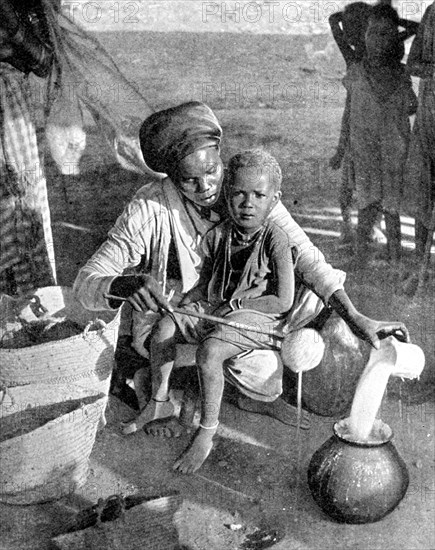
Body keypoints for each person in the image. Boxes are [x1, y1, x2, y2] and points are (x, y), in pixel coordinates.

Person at [73, 101, 410, 438]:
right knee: (218, 354)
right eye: (188, 180)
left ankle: (200, 384)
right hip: (184, 313)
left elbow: (306, 256)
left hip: (244, 309)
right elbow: (86, 283)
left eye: (211, 171)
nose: (205, 186)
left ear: (221, 157)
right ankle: (166, 384)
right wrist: (123, 284)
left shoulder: (244, 189)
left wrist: (356, 317)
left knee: (278, 352)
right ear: (170, 177)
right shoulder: (150, 207)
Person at [135, 149, 298, 473]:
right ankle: (160, 402)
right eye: (238, 193)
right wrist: (182, 307)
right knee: (164, 328)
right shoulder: (218, 235)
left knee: (210, 352)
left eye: (258, 195)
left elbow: (284, 300)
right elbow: (207, 283)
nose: (247, 203)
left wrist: (236, 306)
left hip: (257, 315)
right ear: (226, 193)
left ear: (274, 199)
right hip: (217, 306)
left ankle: (205, 433)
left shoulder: (275, 239)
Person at [329, 2, 419, 244]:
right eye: (371, 32)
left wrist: (384, 21)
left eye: (384, 34)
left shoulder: (386, 61)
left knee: (379, 200)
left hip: (376, 136)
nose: (378, 39)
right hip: (362, 134)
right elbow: (333, 23)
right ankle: (354, 234)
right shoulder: (357, 60)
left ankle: (371, 240)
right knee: (362, 194)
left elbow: (416, 29)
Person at [0, 0, 58, 294]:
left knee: (23, 207)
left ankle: (25, 309)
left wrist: (11, 21)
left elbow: (44, 61)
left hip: (11, 111)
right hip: (11, 104)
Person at [405, 1, 435, 258]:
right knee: (425, 191)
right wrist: (431, 70)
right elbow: (412, 63)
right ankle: (419, 262)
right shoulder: (432, 12)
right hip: (429, 120)